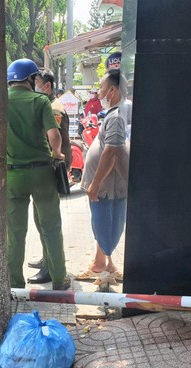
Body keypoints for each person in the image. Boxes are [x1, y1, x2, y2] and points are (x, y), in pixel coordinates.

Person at [6, 59, 69, 290]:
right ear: (31, 79)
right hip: (42, 173)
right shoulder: (40, 101)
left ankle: (15, 282)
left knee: (14, 232)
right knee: (51, 226)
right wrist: (57, 154)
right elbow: (54, 135)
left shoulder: (0, 101)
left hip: (13, 175)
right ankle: (60, 279)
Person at [76, 69, 130, 283]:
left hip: (107, 188)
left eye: (101, 87)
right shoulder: (113, 114)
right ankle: (102, 265)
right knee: (102, 227)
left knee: (106, 229)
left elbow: (112, 151)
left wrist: (95, 185)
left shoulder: (115, 117)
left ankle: (106, 272)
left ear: (112, 90)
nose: (98, 92)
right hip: (107, 187)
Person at [27, 70, 72, 284]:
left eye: (36, 83)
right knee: (41, 218)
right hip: (49, 167)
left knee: (46, 221)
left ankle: (51, 268)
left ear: (47, 87)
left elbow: (51, 138)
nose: (32, 87)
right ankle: (48, 259)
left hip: (52, 167)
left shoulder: (53, 107)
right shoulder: (46, 104)